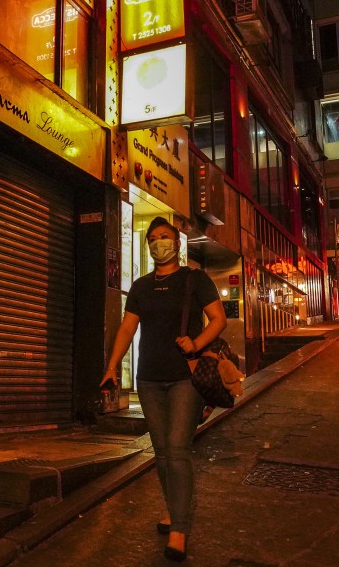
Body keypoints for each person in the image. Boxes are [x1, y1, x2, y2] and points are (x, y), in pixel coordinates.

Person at [99, 216, 227, 562]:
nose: (159, 243)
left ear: (176, 243)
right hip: (149, 378)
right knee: (161, 451)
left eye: (165, 237)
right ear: (148, 247)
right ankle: (174, 509)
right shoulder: (140, 287)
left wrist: (196, 341)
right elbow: (127, 329)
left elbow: (219, 319)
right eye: (153, 239)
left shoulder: (194, 280)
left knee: (177, 448)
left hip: (186, 376)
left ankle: (180, 530)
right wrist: (112, 367)